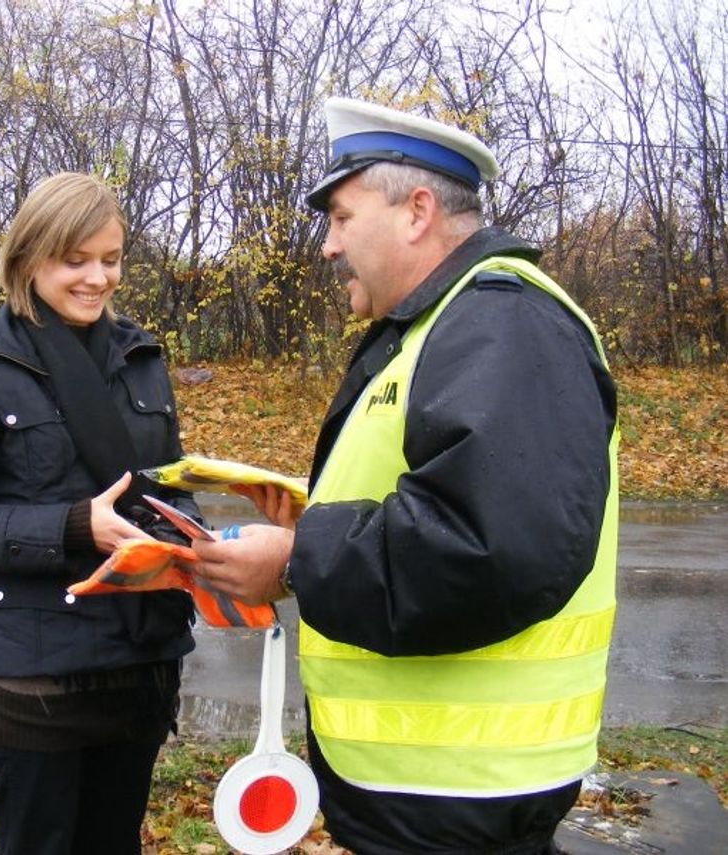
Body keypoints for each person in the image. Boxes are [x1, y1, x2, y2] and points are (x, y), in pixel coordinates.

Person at [193, 98, 619, 855]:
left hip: (466, 794)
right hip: (441, 793)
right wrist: (316, 516)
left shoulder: (501, 323)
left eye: (342, 217)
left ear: (417, 211)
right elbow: (446, 498)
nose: (328, 246)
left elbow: (489, 548)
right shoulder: (443, 325)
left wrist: (295, 559)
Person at [0, 172, 200, 855]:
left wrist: (191, 532)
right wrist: (72, 526)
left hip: (140, 663)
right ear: (30, 256)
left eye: (111, 259)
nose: (98, 278)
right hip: (37, 680)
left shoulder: (140, 355)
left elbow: (163, 481)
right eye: (76, 260)